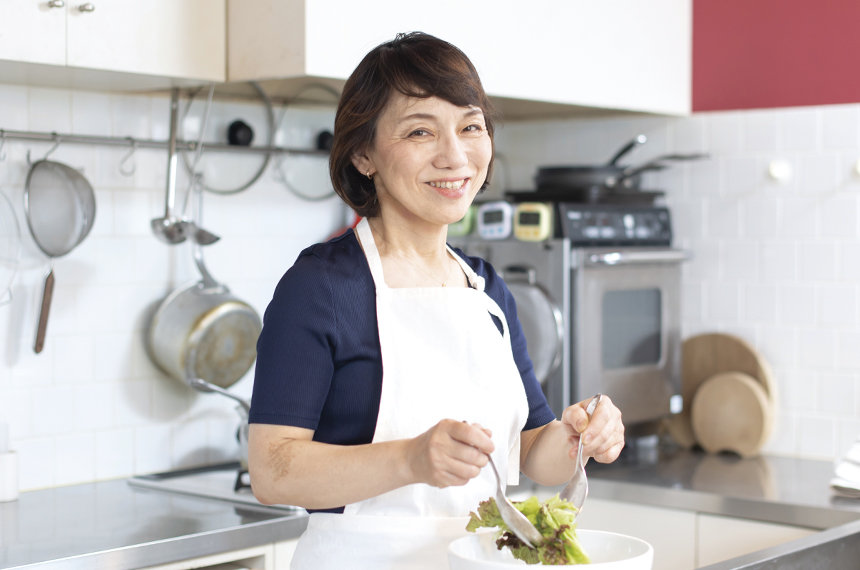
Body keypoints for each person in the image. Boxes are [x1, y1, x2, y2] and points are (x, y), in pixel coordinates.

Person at [248, 31, 625, 569]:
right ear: (363, 154)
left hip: (478, 558)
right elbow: (272, 471)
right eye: (421, 131)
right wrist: (410, 458)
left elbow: (530, 450)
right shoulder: (321, 287)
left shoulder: (486, 290)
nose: (455, 155)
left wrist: (579, 435)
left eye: (471, 126)